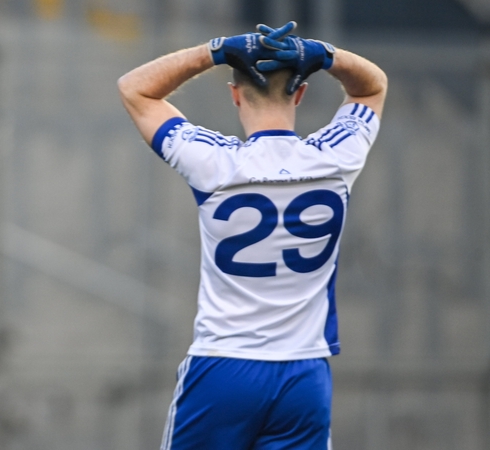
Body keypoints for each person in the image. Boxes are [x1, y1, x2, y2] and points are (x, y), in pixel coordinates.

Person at [118, 21, 387, 449]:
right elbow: (371, 88)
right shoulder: (336, 156)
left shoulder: (213, 161)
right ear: (301, 92)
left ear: (234, 94)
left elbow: (136, 88)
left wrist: (215, 50)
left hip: (224, 366)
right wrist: (327, 54)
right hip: (304, 373)